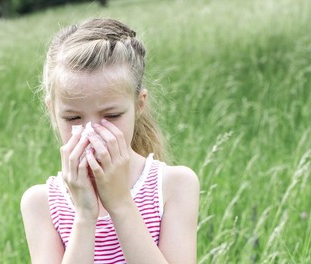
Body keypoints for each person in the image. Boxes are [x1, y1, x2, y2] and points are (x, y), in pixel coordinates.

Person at [21, 18, 200, 264]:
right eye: (73, 117)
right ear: (52, 111)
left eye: (112, 116)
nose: (91, 132)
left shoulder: (174, 185)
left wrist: (120, 204)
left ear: (139, 105)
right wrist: (85, 216)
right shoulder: (41, 203)